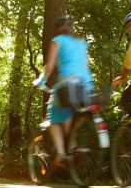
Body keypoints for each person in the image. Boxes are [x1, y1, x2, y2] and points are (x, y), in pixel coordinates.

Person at [34, 14, 94, 168]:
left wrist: (41, 80)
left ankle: (61, 152)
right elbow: (86, 67)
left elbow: (49, 67)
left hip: (67, 85)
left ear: (58, 29)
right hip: (86, 86)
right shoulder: (81, 43)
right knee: (69, 112)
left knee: (53, 119)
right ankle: (72, 144)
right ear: (71, 28)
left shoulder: (57, 41)